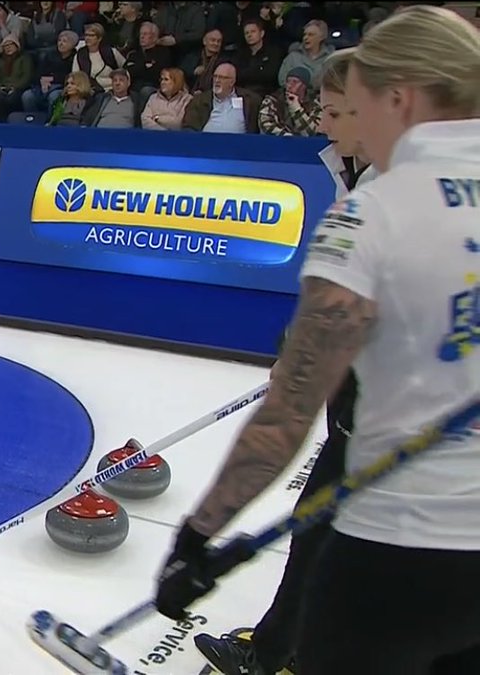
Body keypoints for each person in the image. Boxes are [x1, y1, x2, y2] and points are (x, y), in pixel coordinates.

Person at [153, 6, 480, 674]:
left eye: (358, 108)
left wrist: (199, 534)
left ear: (400, 97)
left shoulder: (373, 213)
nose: (349, 130)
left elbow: (288, 415)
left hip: (396, 553)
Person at [192, 47, 378, 675]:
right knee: (334, 522)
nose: (321, 124)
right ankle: (289, 646)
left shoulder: (395, 184)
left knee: (324, 520)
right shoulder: (353, 165)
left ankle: (282, 653)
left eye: (331, 111)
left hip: (385, 391)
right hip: (361, 378)